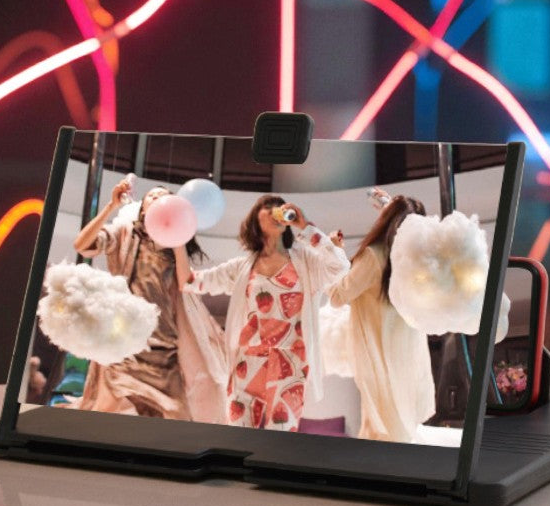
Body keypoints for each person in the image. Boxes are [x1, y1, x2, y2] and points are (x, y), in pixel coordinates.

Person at [176, 194, 349, 431]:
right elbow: (190, 282)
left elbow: (339, 267)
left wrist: (305, 226)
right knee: (238, 435)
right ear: (255, 219)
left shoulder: (306, 261)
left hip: (291, 361)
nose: (276, 210)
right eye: (268, 207)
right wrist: (176, 241)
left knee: (279, 439)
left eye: (280, 207)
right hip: (247, 360)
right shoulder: (242, 266)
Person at [72, 179, 226, 421]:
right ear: (143, 207)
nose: (157, 199)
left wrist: (179, 237)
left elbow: (186, 283)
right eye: (152, 196)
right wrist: (110, 207)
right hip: (124, 341)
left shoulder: (176, 245)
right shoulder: (124, 233)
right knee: (102, 415)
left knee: (178, 417)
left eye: (163, 196)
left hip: (164, 348)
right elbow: (82, 245)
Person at [326, 192, 435, 443]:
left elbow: (337, 296)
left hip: (378, 352)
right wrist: (390, 207)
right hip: (408, 352)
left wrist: (333, 254)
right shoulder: (416, 259)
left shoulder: (374, 256)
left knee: (381, 428)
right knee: (398, 423)